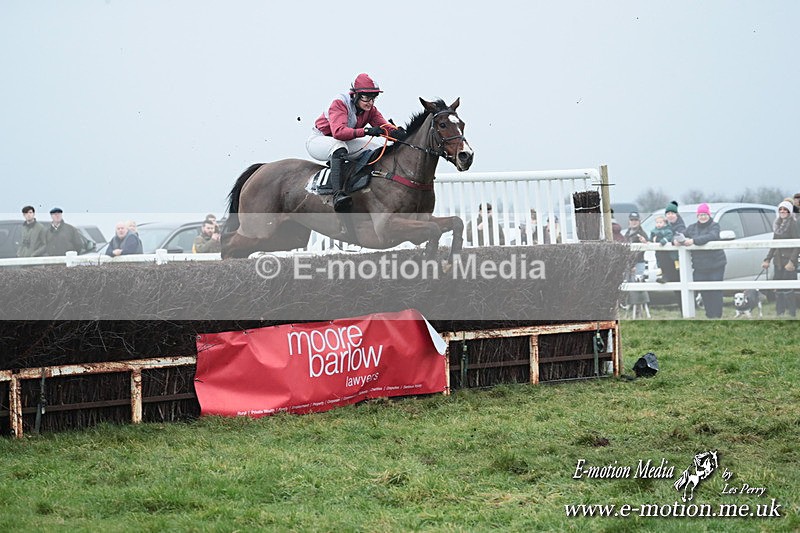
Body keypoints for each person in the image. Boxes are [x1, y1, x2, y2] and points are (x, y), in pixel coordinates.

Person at [306, 73, 404, 212]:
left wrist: (397, 133)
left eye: (373, 98)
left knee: (380, 149)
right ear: (355, 95)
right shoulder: (340, 103)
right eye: (366, 97)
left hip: (345, 141)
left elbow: (384, 127)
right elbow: (338, 133)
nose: (370, 102)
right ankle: (337, 194)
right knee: (338, 147)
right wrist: (366, 131)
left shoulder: (370, 110)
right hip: (319, 140)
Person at [681, 203, 727, 319]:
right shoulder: (691, 228)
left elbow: (712, 236)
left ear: (709, 215)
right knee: (704, 291)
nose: (703, 217)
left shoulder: (714, 225)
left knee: (715, 291)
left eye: (705, 214)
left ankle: (717, 316)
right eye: (700, 214)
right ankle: (709, 315)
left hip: (716, 264)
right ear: (697, 216)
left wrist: (694, 241)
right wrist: (676, 240)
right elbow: (680, 234)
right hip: (700, 266)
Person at [761, 200, 798, 317]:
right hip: (778, 262)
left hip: (788, 261)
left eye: (785, 210)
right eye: (780, 209)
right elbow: (774, 244)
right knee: (778, 289)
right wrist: (767, 259)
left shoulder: (793, 224)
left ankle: (792, 313)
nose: (782, 211)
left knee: (788, 290)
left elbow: (797, 244)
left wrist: (792, 261)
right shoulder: (777, 224)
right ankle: (779, 312)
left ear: (789, 211)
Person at [655, 200, 686, 283]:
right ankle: (665, 275)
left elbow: (680, 235)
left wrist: (672, 240)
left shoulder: (680, 225)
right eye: (668, 214)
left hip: (677, 260)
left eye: (672, 213)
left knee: (679, 284)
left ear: (677, 215)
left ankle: (666, 275)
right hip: (668, 260)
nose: (670, 216)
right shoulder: (665, 226)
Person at [624, 212, 648, 276]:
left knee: (638, 283)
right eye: (632, 220)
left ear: (639, 221)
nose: (634, 222)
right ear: (629, 221)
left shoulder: (642, 234)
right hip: (627, 262)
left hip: (638, 262)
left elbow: (647, 244)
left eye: (636, 220)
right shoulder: (627, 233)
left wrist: (644, 241)